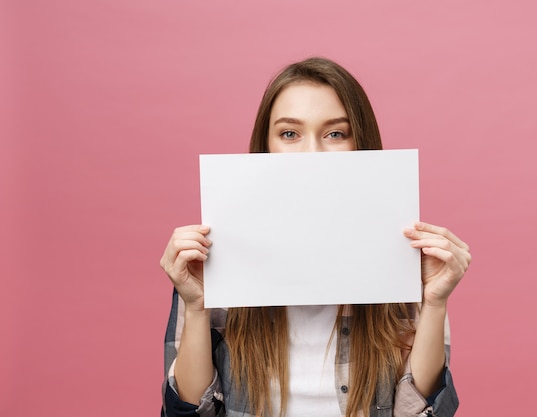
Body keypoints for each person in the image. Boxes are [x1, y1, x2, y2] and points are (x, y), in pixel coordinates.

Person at [160, 57, 471, 417]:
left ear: (361, 145)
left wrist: (433, 304)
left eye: (335, 133)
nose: (312, 154)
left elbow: (425, 413)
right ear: (266, 146)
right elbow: (187, 413)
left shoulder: (405, 263)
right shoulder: (212, 261)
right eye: (290, 134)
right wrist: (197, 307)